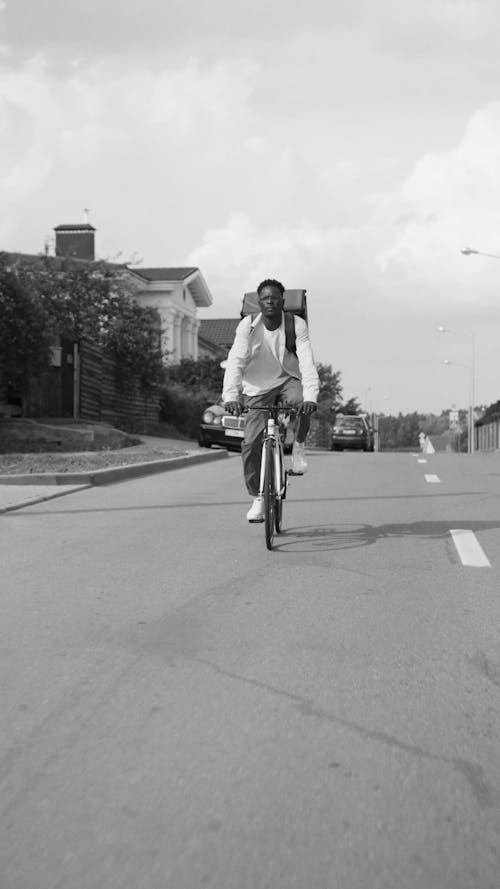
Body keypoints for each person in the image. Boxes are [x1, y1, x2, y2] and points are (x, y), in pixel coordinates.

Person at [223, 278, 319, 522]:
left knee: (300, 402)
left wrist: (310, 396)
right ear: (258, 301)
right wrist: (232, 396)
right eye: (265, 298)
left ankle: (298, 448)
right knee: (250, 442)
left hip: (288, 378)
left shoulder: (295, 324)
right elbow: (236, 360)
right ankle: (258, 496)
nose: (270, 302)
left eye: (275, 298)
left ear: (282, 301)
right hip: (256, 386)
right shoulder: (248, 326)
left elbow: (307, 361)